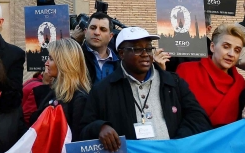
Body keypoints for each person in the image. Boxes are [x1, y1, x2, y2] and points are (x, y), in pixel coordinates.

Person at [81, 27, 210, 146]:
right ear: (121, 54)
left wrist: (177, 144)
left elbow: (198, 118)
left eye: (148, 49)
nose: (145, 54)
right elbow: (84, 129)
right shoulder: (103, 90)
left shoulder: (173, 82)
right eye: (137, 49)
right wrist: (100, 127)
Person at [175, 25, 245, 126]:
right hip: (189, 138)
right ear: (212, 47)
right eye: (226, 47)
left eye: (237, 50)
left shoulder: (240, 82)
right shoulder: (186, 70)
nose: (231, 54)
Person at [26, 39, 91, 138]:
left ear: (64, 63)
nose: (46, 63)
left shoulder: (79, 99)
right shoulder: (53, 92)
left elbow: (76, 141)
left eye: (51, 59)